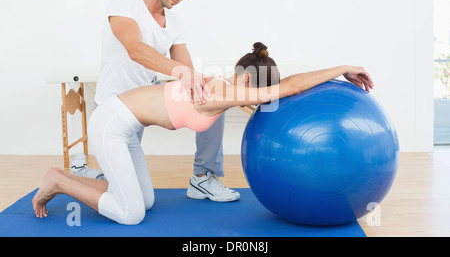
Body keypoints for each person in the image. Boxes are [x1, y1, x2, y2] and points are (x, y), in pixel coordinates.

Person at [33, 42, 374, 225]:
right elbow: (292, 85)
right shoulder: (223, 92)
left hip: (128, 127)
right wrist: (344, 67)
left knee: (146, 201)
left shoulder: (222, 87)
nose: (259, 100)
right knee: (131, 214)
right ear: (246, 80)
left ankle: (68, 175)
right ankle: (59, 182)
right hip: (111, 124)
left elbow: (288, 85)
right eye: (259, 92)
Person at [70, 0, 238, 202]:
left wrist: (207, 83)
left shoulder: (175, 23)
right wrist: (180, 72)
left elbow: (185, 66)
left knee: (215, 98)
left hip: (146, 106)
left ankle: (202, 177)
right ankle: (81, 172)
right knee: (130, 195)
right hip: (114, 105)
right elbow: (135, 50)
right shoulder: (124, 4)